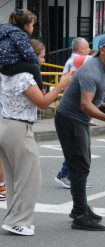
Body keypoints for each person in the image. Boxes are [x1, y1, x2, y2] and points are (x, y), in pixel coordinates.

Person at [0, 39, 72, 236]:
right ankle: (16, 221)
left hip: (7, 125)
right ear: (29, 55)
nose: (42, 60)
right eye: (40, 56)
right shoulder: (23, 76)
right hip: (18, 128)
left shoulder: (7, 72)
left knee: (16, 178)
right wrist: (62, 84)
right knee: (31, 179)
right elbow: (42, 102)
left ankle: (14, 218)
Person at [54, 34, 105, 231]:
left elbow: (91, 99)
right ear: (102, 50)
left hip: (79, 119)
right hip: (70, 119)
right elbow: (85, 105)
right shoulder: (91, 71)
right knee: (79, 165)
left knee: (82, 163)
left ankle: (80, 206)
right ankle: (79, 214)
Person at [55, 37, 93, 189]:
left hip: (73, 106)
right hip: (74, 108)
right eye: (88, 47)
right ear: (81, 49)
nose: (90, 49)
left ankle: (73, 177)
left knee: (78, 146)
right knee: (77, 147)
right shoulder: (79, 60)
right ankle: (64, 175)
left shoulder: (72, 60)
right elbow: (100, 58)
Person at [0, 9, 44, 90]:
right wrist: (36, 64)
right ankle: (42, 90)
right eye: (32, 25)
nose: (33, 28)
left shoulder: (7, 30)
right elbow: (28, 53)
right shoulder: (20, 35)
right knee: (34, 67)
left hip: (3, 64)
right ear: (26, 26)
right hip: (7, 66)